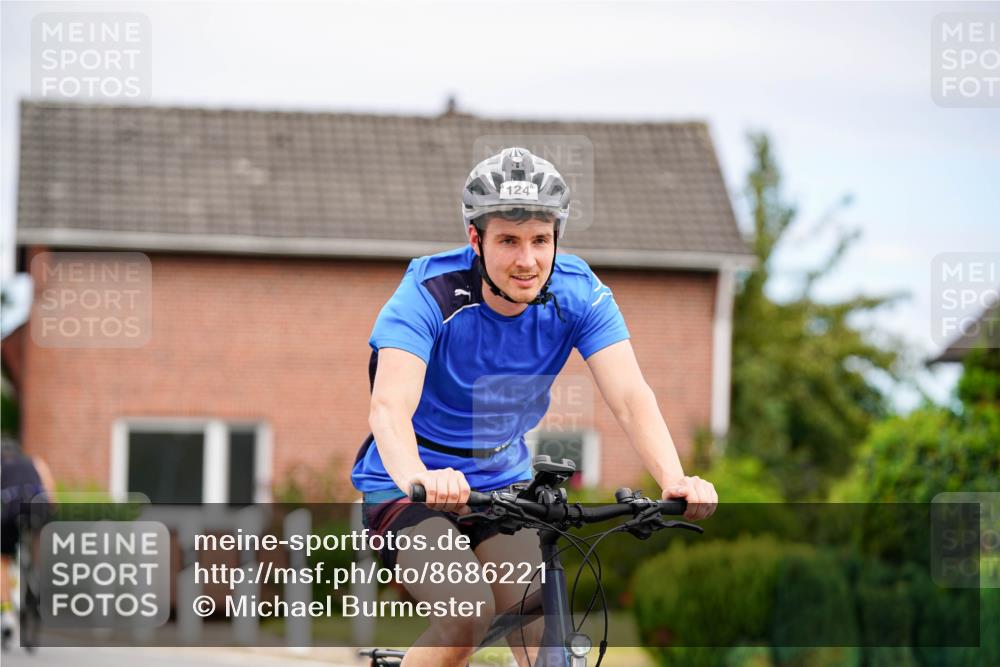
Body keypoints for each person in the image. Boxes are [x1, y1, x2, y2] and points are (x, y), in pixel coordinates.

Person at [351, 147, 718, 667]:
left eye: (540, 240)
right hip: (406, 486)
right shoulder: (428, 292)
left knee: (544, 626)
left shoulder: (578, 295)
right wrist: (420, 476)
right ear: (476, 240)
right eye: (508, 240)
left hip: (503, 488)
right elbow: (389, 407)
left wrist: (674, 478)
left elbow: (631, 398)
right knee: (465, 613)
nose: (527, 260)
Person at [1, 436, 55, 646]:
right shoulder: (35, 461)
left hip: (11, 510)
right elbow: (50, 491)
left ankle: (6, 613)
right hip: (37, 508)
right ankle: (37, 575)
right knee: (35, 539)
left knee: (2, 560)